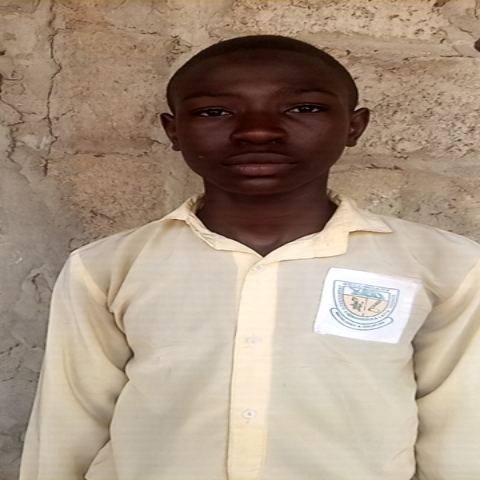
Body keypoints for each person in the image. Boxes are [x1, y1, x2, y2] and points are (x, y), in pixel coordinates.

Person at [20, 35, 480, 480]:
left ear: (354, 126)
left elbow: (460, 430)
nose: (258, 131)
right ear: (173, 130)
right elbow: (68, 425)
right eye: (214, 111)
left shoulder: (444, 266)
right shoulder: (106, 268)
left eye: (304, 108)